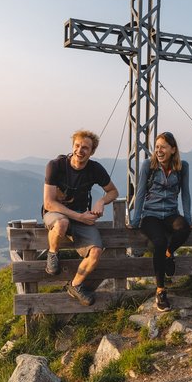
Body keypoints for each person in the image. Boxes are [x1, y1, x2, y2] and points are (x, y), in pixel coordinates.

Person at [42, 130, 119, 306]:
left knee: (96, 252)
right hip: (57, 213)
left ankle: (75, 285)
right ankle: (53, 253)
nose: (80, 150)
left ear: (92, 152)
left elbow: (113, 191)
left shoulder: (95, 169)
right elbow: (48, 203)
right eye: (77, 145)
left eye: (85, 148)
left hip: (81, 216)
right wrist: (79, 216)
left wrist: (101, 201)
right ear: (72, 146)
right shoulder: (56, 166)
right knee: (62, 223)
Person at [129, 131, 192, 312]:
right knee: (158, 241)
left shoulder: (182, 167)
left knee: (184, 229)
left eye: (163, 147)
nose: (159, 150)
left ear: (173, 149)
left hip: (171, 213)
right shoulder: (148, 166)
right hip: (151, 215)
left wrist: (187, 217)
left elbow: (185, 193)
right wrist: (136, 219)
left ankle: (168, 253)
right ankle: (160, 290)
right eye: (157, 147)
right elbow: (140, 193)